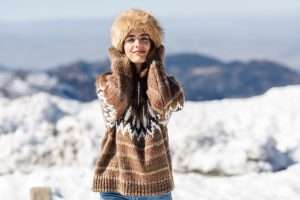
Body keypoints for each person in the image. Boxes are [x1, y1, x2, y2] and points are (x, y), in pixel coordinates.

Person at [91, 9, 185, 200]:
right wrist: (120, 64)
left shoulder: (171, 87)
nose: (138, 45)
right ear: (121, 45)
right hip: (115, 183)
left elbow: (161, 107)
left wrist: (156, 65)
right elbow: (117, 103)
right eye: (130, 39)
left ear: (153, 45)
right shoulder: (106, 83)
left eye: (145, 38)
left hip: (156, 186)